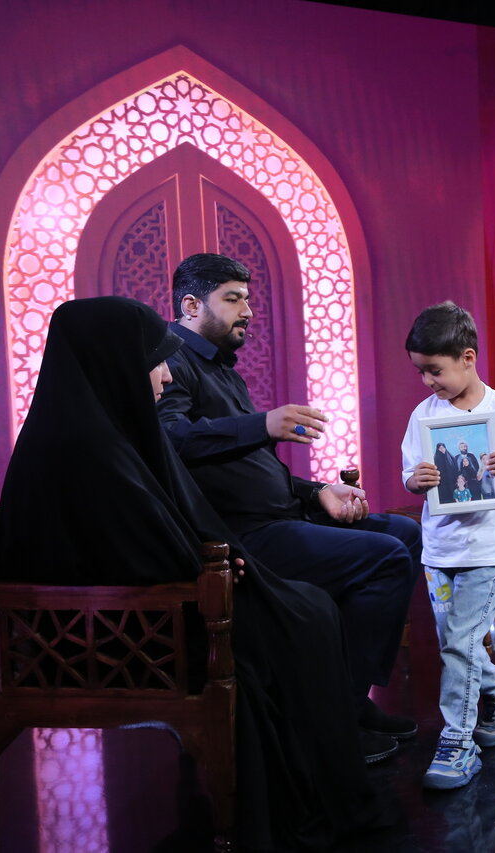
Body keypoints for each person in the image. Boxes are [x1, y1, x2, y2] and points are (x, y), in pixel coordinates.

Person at [0, 296, 394, 850]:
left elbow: (149, 531)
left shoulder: (98, 431)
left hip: (135, 610)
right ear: (116, 363)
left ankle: (322, 773)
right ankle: (316, 792)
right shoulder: (81, 445)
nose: (164, 375)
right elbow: (122, 552)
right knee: (302, 618)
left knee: (306, 608)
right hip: (102, 635)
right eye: (153, 362)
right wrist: (208, 566)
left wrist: (212, 557)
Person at [156, 253, 422, 762]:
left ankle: (345, 699)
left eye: (248, 299)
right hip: (239, 538)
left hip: (280, 516)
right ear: (190, 306)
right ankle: (336, 714)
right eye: (233, 299)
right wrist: (262, 424)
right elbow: (171, 441)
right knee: (386, 557)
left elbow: (250, 467)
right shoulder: (173, 364)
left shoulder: (221, 368)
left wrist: (316, 491)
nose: (248, 311)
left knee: (405, 534)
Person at [401, 300, 495, 789]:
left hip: (486, 550)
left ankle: (458, 742)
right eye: (421, 372)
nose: (428, 382)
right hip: (439, 550)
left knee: (460, 644)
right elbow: (409, 475)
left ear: (468, 357)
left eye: (434, 370)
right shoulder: (424, 416)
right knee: (456, 643)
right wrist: (417, 480)